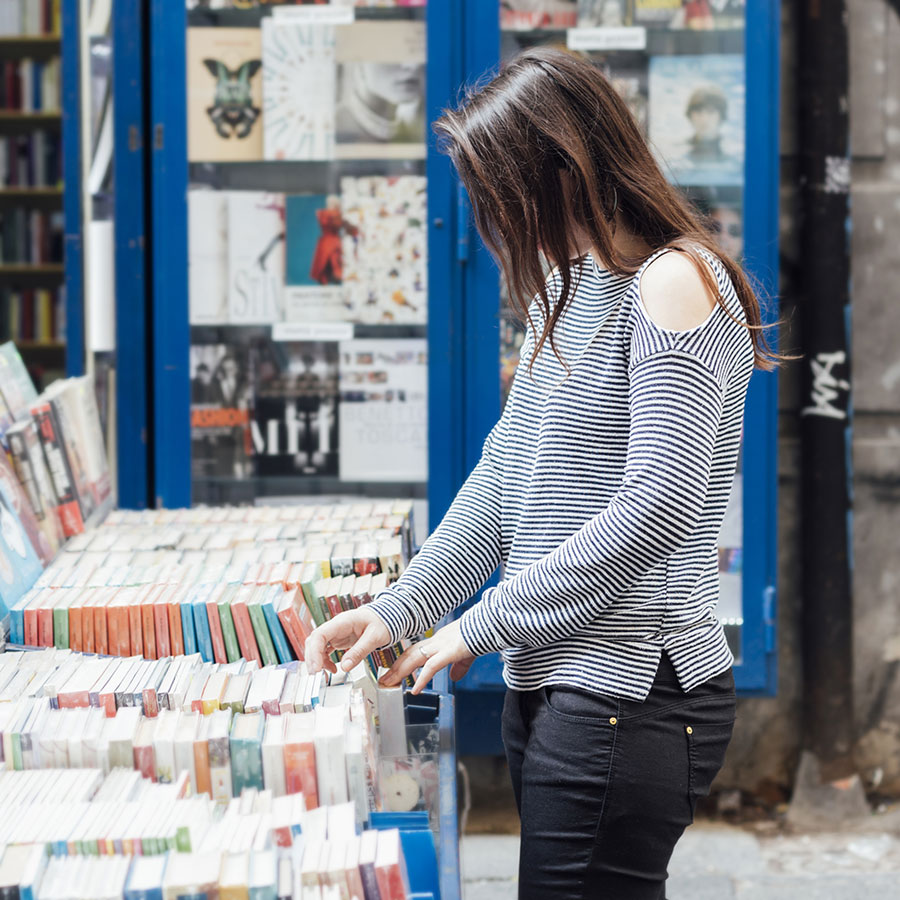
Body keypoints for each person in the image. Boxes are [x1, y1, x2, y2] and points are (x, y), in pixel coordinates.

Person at [306, 46, 784, 899]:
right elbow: (505, 478)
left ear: (565, 172)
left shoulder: (675, 282)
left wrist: (476, 626)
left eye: (503, 196)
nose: (495, 222)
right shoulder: (569, 286)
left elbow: (658, 509)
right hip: (560, 683)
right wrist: (401, 608)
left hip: (632, 688)